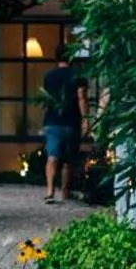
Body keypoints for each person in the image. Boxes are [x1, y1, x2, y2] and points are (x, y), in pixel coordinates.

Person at [40, 45, 89, 205]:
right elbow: (81, 98)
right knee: (68, 159)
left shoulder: (49, 77)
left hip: (52, 120)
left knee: (52, 156)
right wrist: (86, 119)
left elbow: (47, 99)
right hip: (71, 121)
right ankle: (65, 192)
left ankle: (49, 190)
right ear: (71, 58)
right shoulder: (78, 77)